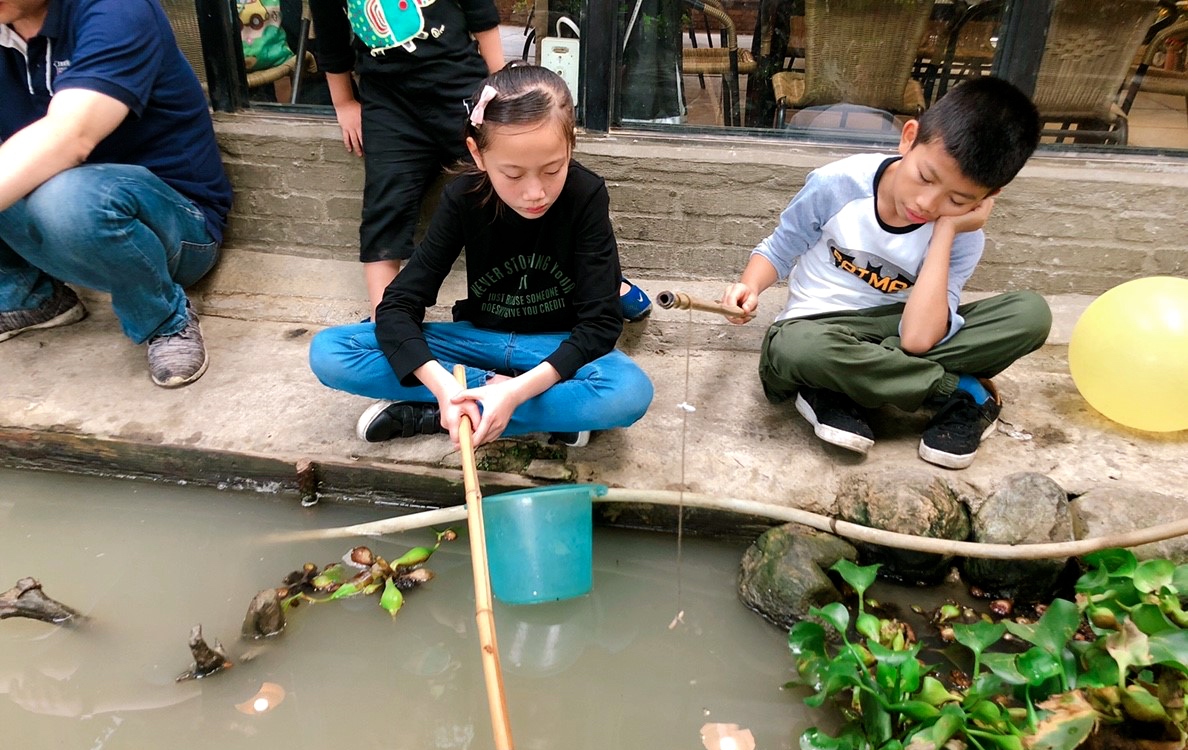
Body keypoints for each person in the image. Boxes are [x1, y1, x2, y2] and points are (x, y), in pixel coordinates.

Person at [308, 63, 654, 448]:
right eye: (513, 174)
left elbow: (601, 324)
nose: (535, 192)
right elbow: (399, 304)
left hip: (552, 345)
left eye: (553, 169)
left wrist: (516, 390)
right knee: (331, 351)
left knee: (628, 391)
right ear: (477, 153)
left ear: (570, 145)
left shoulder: (585, 195)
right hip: (476, 340)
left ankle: (440, 417)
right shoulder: (463, 199)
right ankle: (514, 409)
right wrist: (445, 387)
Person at [722, 77, 1052, 470]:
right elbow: (779, 247)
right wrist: (749, 286)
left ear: (988, 197)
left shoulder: (963, 235)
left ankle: (842, 385)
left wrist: (946, 231)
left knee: (1030, 315)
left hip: (898, 328)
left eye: (958, 199)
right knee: (794, 350)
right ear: (908, 138)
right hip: (820, 329)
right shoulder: (838, 184)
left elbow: (916, 339)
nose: (927, 203)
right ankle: (956, 392)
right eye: (926, 177)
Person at [0, 0, 232, 388]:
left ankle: (165, 318)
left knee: (67, 199)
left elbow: (69, 137)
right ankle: (31, 297)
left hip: (170, 226)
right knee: (53, 193)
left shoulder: (117, 10)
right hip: (57, 220)